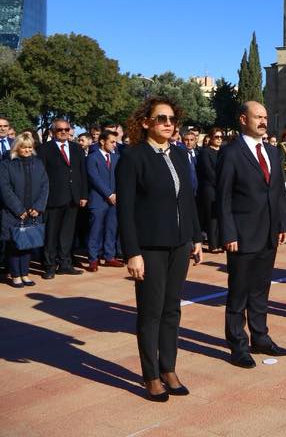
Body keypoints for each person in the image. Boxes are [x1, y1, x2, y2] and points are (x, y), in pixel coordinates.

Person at [116, 96, 203, 402]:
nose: (168, 124)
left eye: (172, 119)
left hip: (179, 245)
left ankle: (169, 368)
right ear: (145, 123)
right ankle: (151, 375)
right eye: (161, 118)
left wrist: (196, 237)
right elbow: (124, 210)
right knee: (150, 313)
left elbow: (188, 201)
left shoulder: (180, 154)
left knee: (172, 310)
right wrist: (132, 252)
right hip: (149, 247)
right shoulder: (133, 157)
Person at [217, 101, 286, 368]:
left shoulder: (272, 151)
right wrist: (228, 233)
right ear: (243, 119)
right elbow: (223, 197)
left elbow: (278, 193)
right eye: (258, 117)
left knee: (260, 290)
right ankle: (237, 344)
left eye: (265, 117)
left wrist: (283, 224)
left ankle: (260, 337)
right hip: (242, 235)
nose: (263, 121)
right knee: (239, 292)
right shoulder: (231, 153)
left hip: (269, 233)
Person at [37, 118, 88, 279]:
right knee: (51, 234)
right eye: (60, 130)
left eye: (67, 129)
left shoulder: (76, 148)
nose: (64, 132)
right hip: (53, 198)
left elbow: (82, 173)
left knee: (67, 234)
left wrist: (83, 195)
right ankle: (50, 266)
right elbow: (41, 176)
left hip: (73, 198)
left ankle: (65, 264)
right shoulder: (44, 149)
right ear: (53, 132)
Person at [0, 133, 48, 287]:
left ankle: (25, 274)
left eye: (29, 147)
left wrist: (38, 207)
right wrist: (18, 209)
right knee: (14, 245)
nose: (27, 150)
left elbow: (45, 186)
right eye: (24, 147)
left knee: (28, 243)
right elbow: (5, 189)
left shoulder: (38, 163)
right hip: (13, 212)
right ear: (17, 147)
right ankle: (15, 275)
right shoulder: (7, 164)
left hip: (32, 211)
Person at [85, 130, 122, 271]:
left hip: (114, 201)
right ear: (102, 141)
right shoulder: (92, 158)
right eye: (112, 142)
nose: (115, 145)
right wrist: (109, 194)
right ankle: (93, 259)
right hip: (98, 200)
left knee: (111, 229)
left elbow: (120, 178)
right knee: (96, 229)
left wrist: (116, 194)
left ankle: (109, 256)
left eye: (115, 142)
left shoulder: (117, 158)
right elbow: (94, 178)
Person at [197, 128, 223, 252]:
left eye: (221, 137)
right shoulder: (205, 152)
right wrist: (220, 184)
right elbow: (208, 171)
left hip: (223, 187)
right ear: (211, 138)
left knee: (221, 215)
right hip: (210, 188)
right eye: (216, 137)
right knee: (212, 217)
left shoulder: (224, 151)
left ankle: (221, 242)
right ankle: (213, 244)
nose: (219, 139)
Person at [181, 130, 199, 196]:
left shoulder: (199, 154)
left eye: (191, 140)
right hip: (186, 191)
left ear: (195, 141)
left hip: (199, 191)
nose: (189, 142)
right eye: (186, 140)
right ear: (183, 141)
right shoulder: (179, 155)